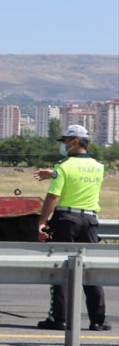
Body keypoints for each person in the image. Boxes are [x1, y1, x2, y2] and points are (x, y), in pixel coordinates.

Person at [33, 124, 110, 331]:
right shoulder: (98, 166)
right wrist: (54, 173)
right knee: (91, 271)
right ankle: (97, 320)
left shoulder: (64, 166)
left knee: (62, 269)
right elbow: (80, 180)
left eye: (66, 141)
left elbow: (54, 196)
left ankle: (59, 318)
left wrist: (42, 221)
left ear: (75, 142)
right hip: (90, 221)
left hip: (67, 220)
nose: (64, 144)